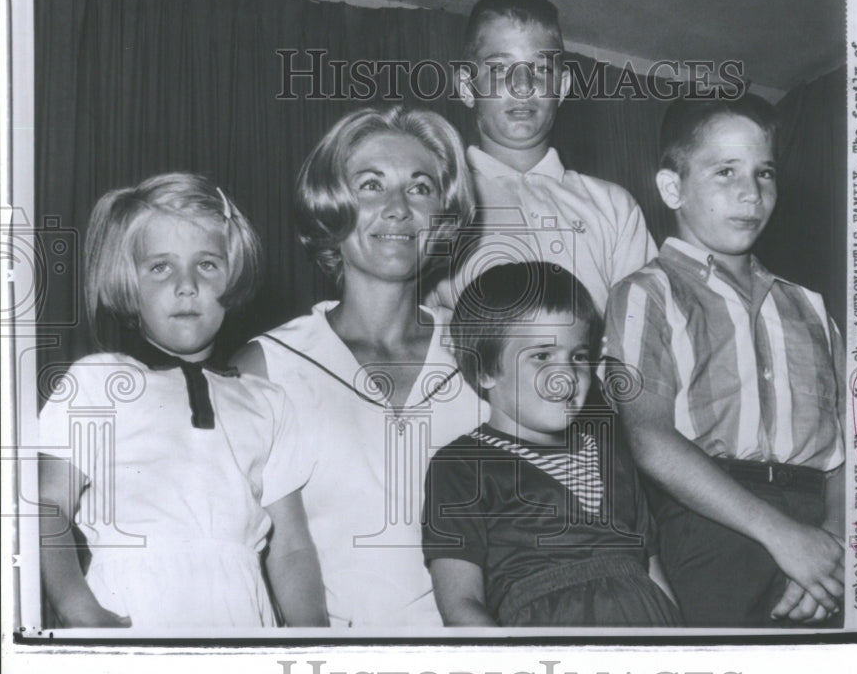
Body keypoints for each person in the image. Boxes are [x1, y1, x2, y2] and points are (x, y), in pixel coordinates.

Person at [38, 173, 326, 628]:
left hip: (242, 621)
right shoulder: (97, 380)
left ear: (233, 276)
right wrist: (79, 609)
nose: (186, 285)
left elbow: (291, 546)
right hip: (131, 615)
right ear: (128, 282)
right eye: (160, 267)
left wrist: (315, 644)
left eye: (207, 264)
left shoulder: (268, 402)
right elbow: (46, 505)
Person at [232, 106, 482, 627]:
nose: (397, 208)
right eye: (371, 185)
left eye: (420, 188)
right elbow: (264, 555)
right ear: (330, 207)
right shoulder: (267, 367)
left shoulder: (484, 350)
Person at [603, 94, 846, 627]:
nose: (749, 193)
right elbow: (650, 440)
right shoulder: (647, 293)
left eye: (764, 173)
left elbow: (849, 445)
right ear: (673, 188)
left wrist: (834, 539)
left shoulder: (810, 307)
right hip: (711, 528)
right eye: (724, 172)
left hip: (823, 535)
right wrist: (780, 535)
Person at [422, 262, 681, 627]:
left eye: (578, 357)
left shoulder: (614, 456)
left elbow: (655, 578)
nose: (566, 377)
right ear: (486, 370)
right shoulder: (462, 466)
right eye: (542, 356)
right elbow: (461, 606)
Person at [431, 0, 656, 313]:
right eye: (499, 69)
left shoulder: (614, 208)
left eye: (540, 69)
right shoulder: (434, 202)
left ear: (562, 87)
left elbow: (644, 338)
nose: (522, 86)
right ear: (468, 87)